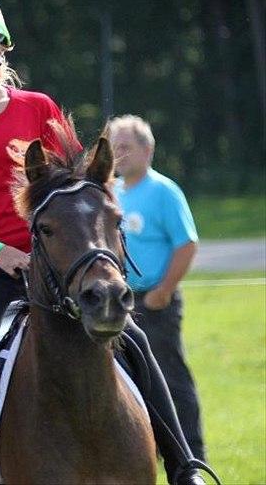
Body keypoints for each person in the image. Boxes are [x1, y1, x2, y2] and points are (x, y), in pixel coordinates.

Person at [0, 0, 212, 485]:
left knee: (135, 343)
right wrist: (0, 252)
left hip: (60, 260)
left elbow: (79, 180)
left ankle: (184, 466)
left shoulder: (38, 109)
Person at [110, 115, 207, 463]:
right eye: (114, 147)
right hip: (118, 302)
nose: (118, 155)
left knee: (169, 380)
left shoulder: (164, 191)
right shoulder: (112, 193)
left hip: (155, 302)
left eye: (126, 147)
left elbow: (187, 244)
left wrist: (163, 291)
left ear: (147, 150)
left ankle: (189, 461)